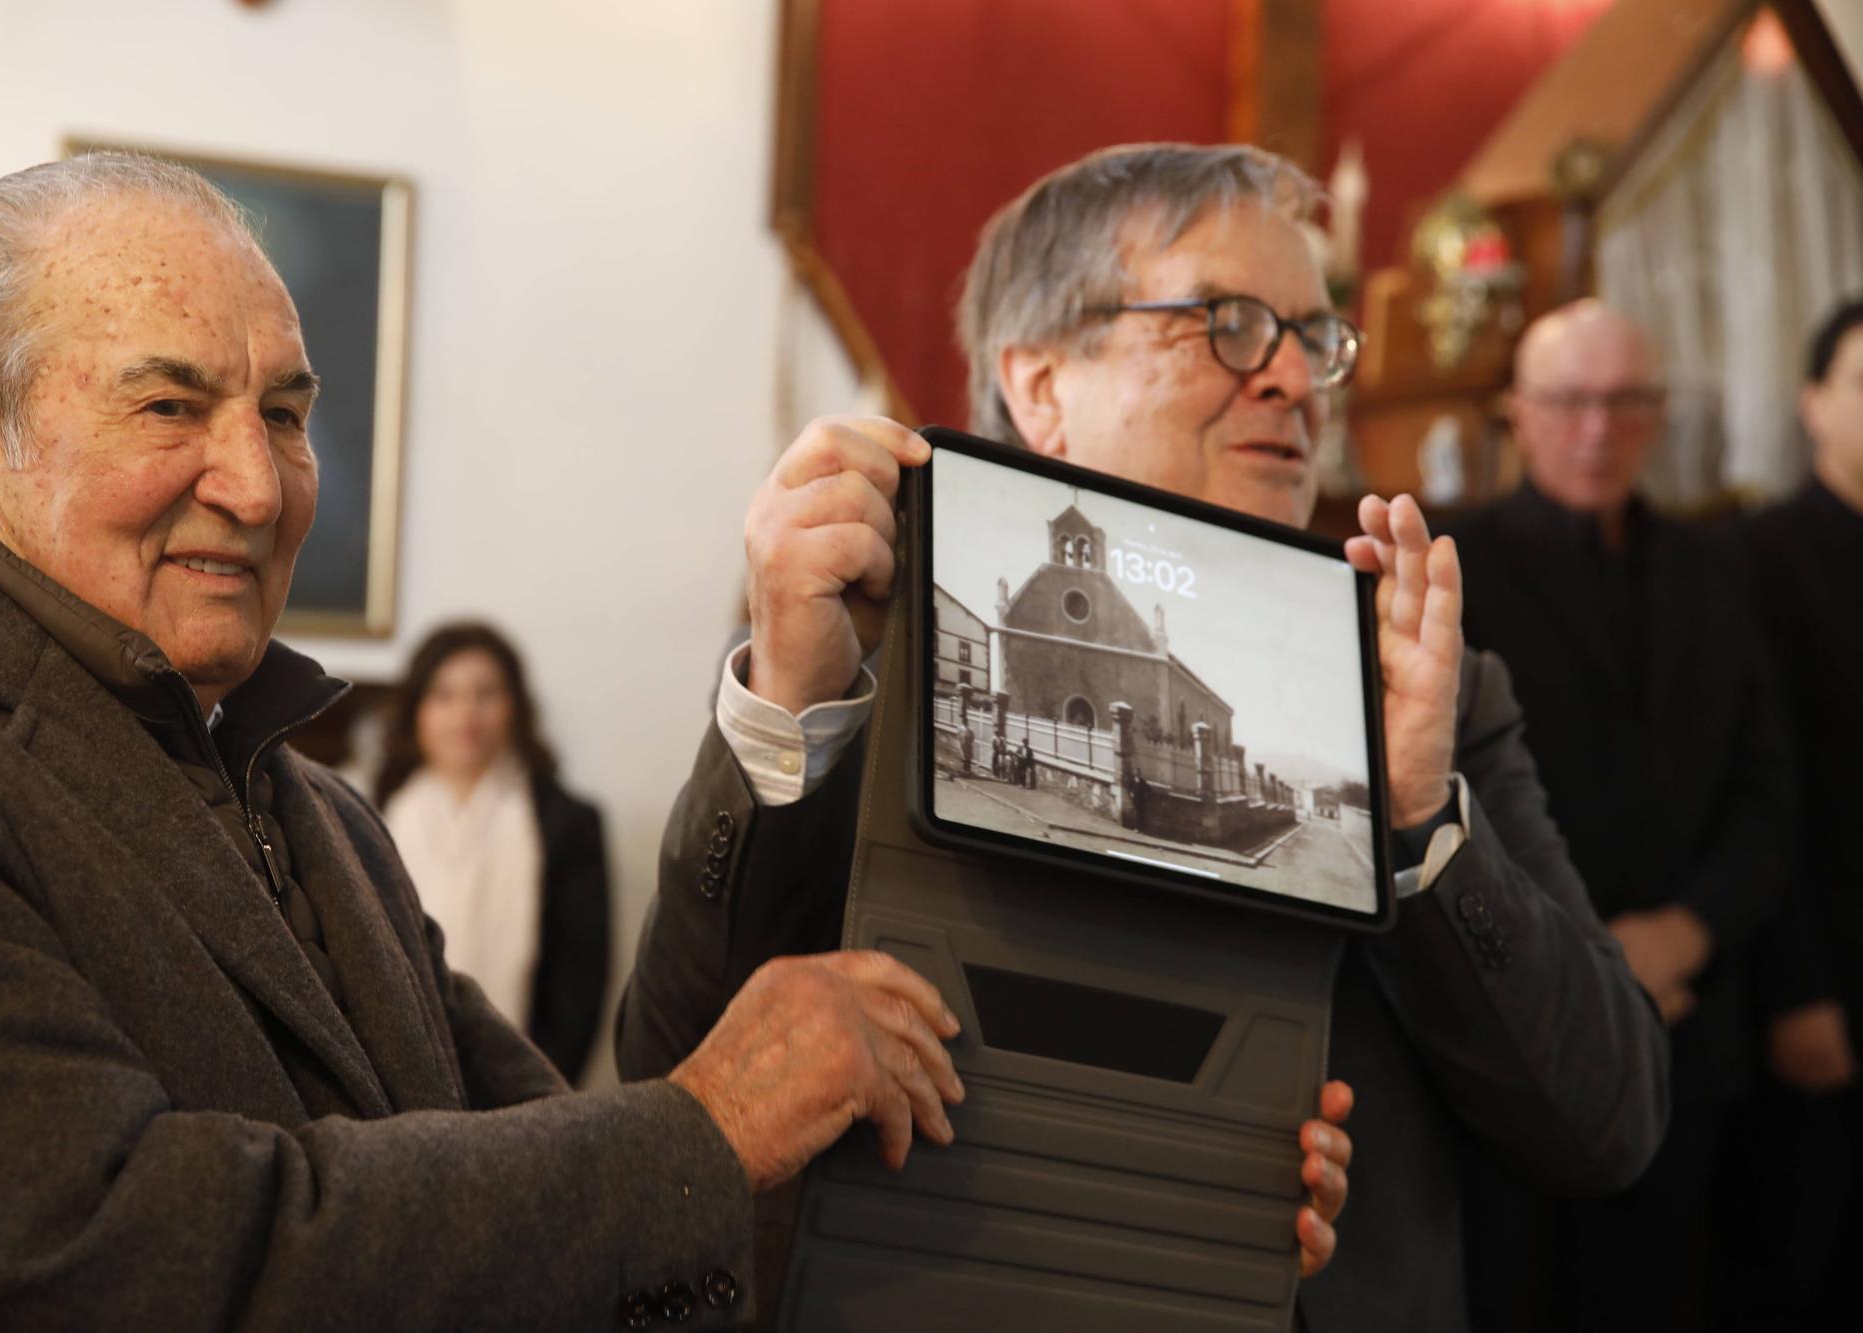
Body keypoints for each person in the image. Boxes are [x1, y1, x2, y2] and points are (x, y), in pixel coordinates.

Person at [0, 154, 967, 1331]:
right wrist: (709, 1126)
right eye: (169, 407)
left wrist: (793, 688)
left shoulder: (323, 816)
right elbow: (102, 1260)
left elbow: (573, 1186)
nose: (258, 486)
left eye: (283, 416)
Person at [616, 143, 1671, 1332]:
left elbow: (1607, 1117)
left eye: (1312, 337)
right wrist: (792, 713)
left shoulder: (1423, 684)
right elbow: (673, 1077)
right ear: (1039, 381)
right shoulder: (862, 627)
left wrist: (1418, 818)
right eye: (1226, 322)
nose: (1291, 380)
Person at [1447, 301, 1792, 1330]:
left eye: (1623, 403)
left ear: (1656, 415)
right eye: (1567, 402)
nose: (1595, 430)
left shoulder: (1715, 568)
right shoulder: (1449, 561)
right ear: (1516, 411)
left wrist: (1686, 931)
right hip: (1504, 1024)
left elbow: (1768, 789)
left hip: (1683, 1015)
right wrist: (1588, 952)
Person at [1726, 296, 1863, 1325]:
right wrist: (1794, 988)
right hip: (1821, 964)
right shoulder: (1757, 559)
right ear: (1811, 405)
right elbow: (1759, 791)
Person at [376, 621, 610, 1082]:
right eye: (444, 695)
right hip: (394, 1085)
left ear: (515, 708)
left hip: (528, 1089)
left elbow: (578, 992)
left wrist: (541, 1098)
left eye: (486, 694)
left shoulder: (568, 822)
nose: (466, 715)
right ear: (416, 711)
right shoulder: (373, 813)